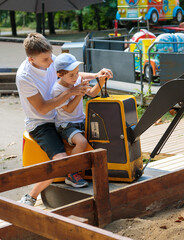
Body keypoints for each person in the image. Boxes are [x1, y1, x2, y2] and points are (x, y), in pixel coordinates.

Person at [16, 33, 112, 206]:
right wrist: (71, 92)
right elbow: (43, 108)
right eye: (46, 60)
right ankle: (31, 196)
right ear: (32, 60)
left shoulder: (49, 58)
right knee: (60, 158)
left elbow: (70, 74)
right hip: (41, 122)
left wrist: (96, 75)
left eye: (51, 56)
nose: (51, 62)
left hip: (62, 116)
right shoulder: (25, 77)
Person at [51, 53, 110, 188]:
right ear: (60, 74)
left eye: (77, 73)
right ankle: (71, 173)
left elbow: (93, 93)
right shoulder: (57, 89)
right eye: (71, 75)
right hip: (66, 125)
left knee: (102, 132)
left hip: (81, 120)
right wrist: (79, 93)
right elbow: (69, 109)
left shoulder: (76, 80)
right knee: (82, 141)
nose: (75, 77)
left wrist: (101, 80)